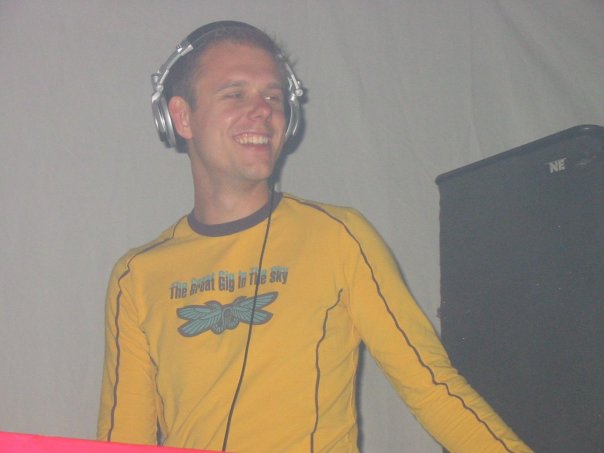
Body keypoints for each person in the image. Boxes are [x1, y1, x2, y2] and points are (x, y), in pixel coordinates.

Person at [97, 21, 531, 453]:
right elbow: (123, 440)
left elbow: (434, 389)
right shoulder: (138, 276)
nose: (262, 110)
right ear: (181, 117)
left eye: (273, 96)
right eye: (235, 94)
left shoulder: (337, 237)